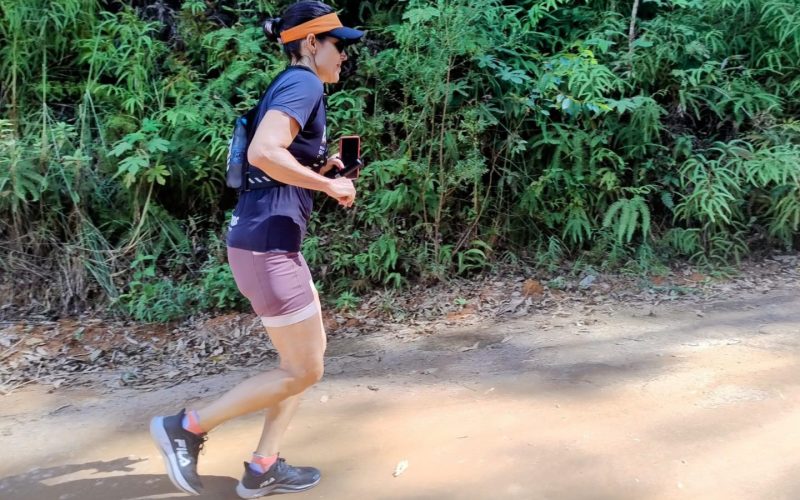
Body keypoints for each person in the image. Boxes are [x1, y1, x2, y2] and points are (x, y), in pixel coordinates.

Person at [149, 2, 363, 497]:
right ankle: (187, 427)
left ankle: (264, 465)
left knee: (304, 364)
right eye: (339, 45)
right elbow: (263, 152)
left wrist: (321, 171)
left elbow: (275, 165)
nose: (344, 56)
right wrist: (329, 186)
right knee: (304, 369)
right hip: (268, 248)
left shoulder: (293, 85)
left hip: (268, 241)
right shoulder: (304, 84)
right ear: (311, 43)